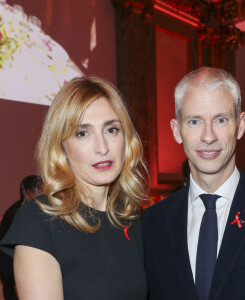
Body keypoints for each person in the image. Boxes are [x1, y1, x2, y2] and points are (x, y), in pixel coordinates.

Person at [142, 67, 245, 300]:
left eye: (221, 120)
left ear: (241, 125)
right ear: (176, 131)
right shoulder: (152, 222)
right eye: (194, 121)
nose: (208, 136)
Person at [0, 76, 148, 300]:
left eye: (112, 130)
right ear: (61, 148)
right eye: (82, 133)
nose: (103, 147)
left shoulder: (129, 215)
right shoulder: (38, 222)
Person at [0, 175, 43, 300]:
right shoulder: (21, 212)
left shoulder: (23, 210)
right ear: (28, 192)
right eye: (40, 191)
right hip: (12, 265)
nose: (45, 196)